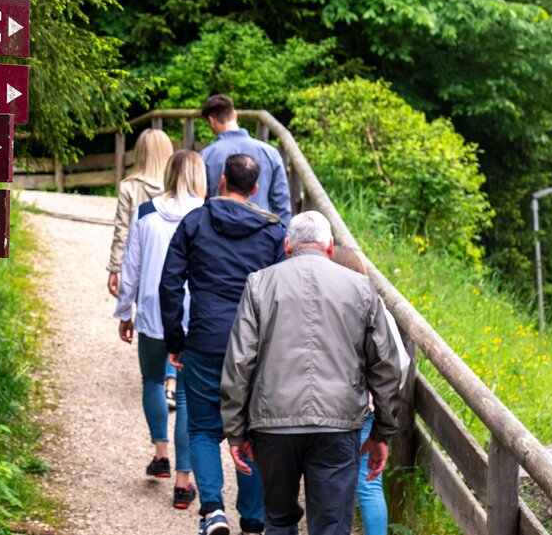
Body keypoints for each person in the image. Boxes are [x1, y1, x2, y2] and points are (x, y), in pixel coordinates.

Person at [220, 211, 402, 535]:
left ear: (288, 246)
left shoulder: (259, 283)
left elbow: (238, 362)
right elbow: (385, 365)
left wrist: (235, 430)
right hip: (338, 424)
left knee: (278, 520)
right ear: (330, 247)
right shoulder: (360, 287)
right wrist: (382, 432)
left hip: (273, 425)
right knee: (330, 527)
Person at [160, 153, 287, 535]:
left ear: (220, 182)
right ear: (256, 188)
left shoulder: (195, 222)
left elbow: (170, 284)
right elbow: (285, 292)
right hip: (255, 346)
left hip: (205, 338)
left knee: (202, 429)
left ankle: (213, 509)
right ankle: (252, 519)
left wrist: (175, 340)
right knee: (252, 430)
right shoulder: (272, 230)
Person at [114, 150, 206, 509]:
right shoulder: (205, 213)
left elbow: (130, 268)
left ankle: (160, 454)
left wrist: (125, 312)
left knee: (152, 380)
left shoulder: (147, 213)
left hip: (153, 313)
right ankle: (184, 483)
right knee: (185, 396)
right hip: (193, 316)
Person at [330, 245, 410, 535]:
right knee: (368, 482)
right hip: (366, 409)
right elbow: (399, 362)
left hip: (331, 407)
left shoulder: (325, 307)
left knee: (332, 478)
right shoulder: (378, 308)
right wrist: (382, 400)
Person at [200, 94, 291, 226]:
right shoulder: (270, 153)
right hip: (263, 234)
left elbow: (199, 202)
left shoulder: (205, 157)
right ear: (235, 115)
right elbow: (281, 203)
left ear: (211, 120)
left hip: (219, 235)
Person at [107, 128, 173, 298]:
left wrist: (115, 267)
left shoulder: (128, 187)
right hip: (172, 261)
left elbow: (121, 230)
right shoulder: (175, 187)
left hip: (139, 263)